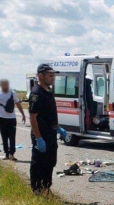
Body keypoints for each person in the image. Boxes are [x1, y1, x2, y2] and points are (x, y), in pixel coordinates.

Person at [29, 64, 67, 194]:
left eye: (53, 76)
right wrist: (38, 138)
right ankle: (37, 189)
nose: (53, 78)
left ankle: (46, 187)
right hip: (41, 135)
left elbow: (50, 116)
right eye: (50, 76)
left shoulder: (49, 92)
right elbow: (33, 118)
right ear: (41, 76)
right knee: (39, 163)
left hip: (50, 134)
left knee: (50, 162)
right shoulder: (36, 93)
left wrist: (59, 128)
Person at [0, 79, 26, 160]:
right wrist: (23, 114)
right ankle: (10, 154)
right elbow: (18, 105)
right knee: (10, 137)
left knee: (5, 136)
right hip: (10, 119)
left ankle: (8, 154)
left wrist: (23, 114)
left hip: (4, 118)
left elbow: (18, 105)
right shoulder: (12, 93)